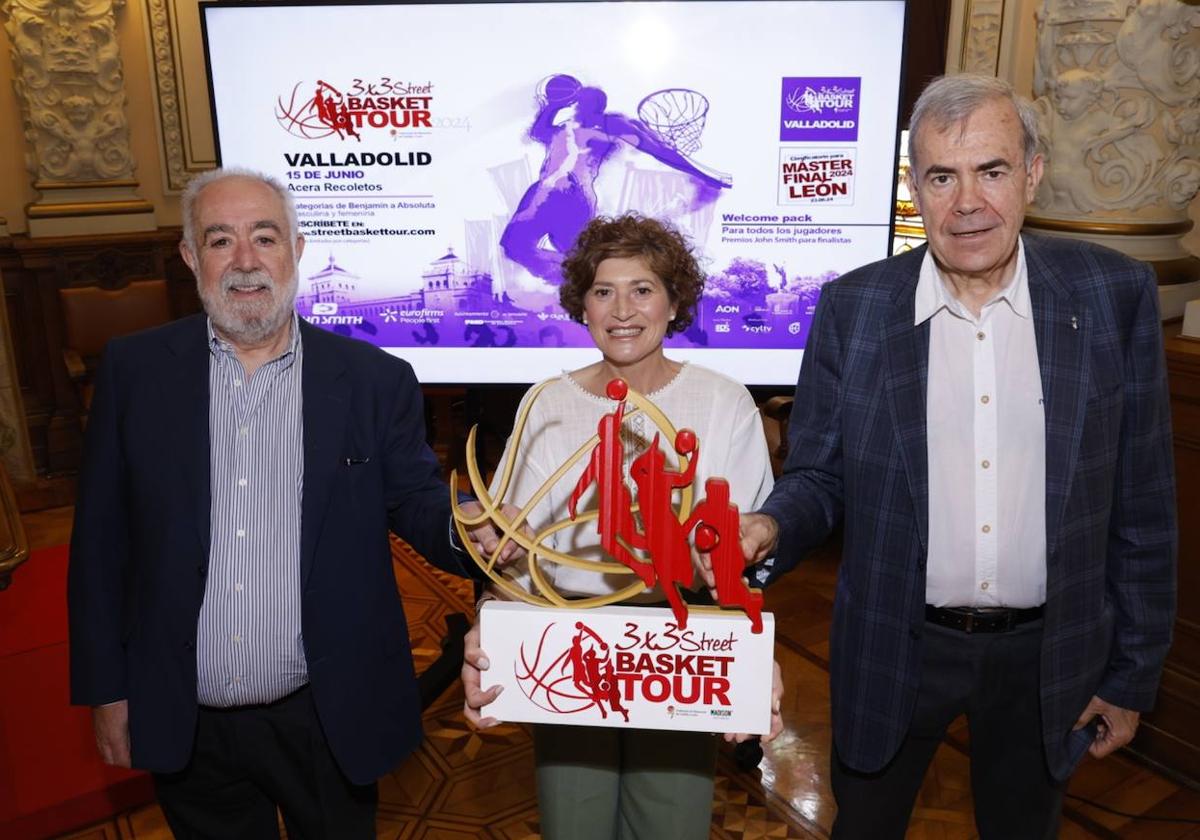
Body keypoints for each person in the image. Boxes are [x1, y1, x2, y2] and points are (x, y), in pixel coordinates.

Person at [739, 74, 1177, 838]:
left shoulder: (1113, 297)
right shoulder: (856, 308)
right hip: (895, 645)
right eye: (942, 176)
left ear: (1032, 174)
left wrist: (1132, 673)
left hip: (1050, 657)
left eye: (992, 171)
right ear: (916, 186)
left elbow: (1143, 503)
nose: (967, 201)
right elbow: (819, 475)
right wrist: (771, 527)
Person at [67, 167, 514, 839]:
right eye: (220, 240)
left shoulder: (372, 381)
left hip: (328, 716)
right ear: (191, 256)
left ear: (296, 250)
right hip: (186, 718)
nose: (245, 262)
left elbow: (418, 500)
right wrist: (107, 689)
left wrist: (468, 533)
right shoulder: (135, 371)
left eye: (265, 238)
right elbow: (100, 543)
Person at [464, 214, 781, 839]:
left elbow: (742, 550)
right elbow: (511, 551)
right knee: (571, 824)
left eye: (643, 289)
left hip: (676, 648)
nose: (622, 309)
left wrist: (753, 655)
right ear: (582, 306)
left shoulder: (722, 400)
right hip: (566, 646)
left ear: (673, 302)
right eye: (603, 291)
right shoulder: (545, 402)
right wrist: (486, 626)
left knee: (670, 824)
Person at [499, 75, 731, 285]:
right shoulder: (563, 128)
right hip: (542, 192)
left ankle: (595, 281)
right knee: (514, 246)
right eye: (579, 101)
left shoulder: (612, 127)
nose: (580, 106)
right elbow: (538, 132)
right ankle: (576, 279)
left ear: (599, 106)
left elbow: (660, 151)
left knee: (577, 262)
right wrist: (552, 105)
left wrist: (703, 174)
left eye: (587, 101)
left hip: (574, 199)